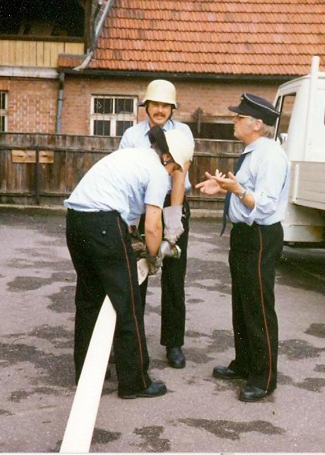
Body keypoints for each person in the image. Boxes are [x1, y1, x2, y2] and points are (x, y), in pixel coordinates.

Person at [64, 126, 194, 399]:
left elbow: (131, 215)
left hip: (76, 220)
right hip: (103, 223)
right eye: (175, 169)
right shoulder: (157, 172)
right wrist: (155, 257)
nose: (172, 174)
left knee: (89, 300)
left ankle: (87, 372)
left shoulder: (133, 157)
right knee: (129, 303)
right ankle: (134, 382)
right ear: (168, 158)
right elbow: (153, 226)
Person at [195, 93, 290, 402]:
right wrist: (227, 188)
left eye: (238, 117)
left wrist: (236, 190)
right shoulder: (253, 152)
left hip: (260, 235)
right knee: (242, 302)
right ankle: (245, 363)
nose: (233, 121)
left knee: (258, 305)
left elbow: (265, 205)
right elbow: (246, 192)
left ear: (257, 124)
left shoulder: (270, 156)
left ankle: (264, 378)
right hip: (245, 235)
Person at [119, 79, 195, 369]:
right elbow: (126, 177)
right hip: (140, 207)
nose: (160, 110)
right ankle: (132, 341)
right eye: (155, 105)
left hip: (171, 202)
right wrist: (129, 221)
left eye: (166, 105)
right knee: (137, 274)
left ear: (172, 108)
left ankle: (174, 343)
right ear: (146, 106)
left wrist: (173, 222)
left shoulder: (182, 133)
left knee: (174, 276)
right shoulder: (132, 135)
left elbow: (179, 177)